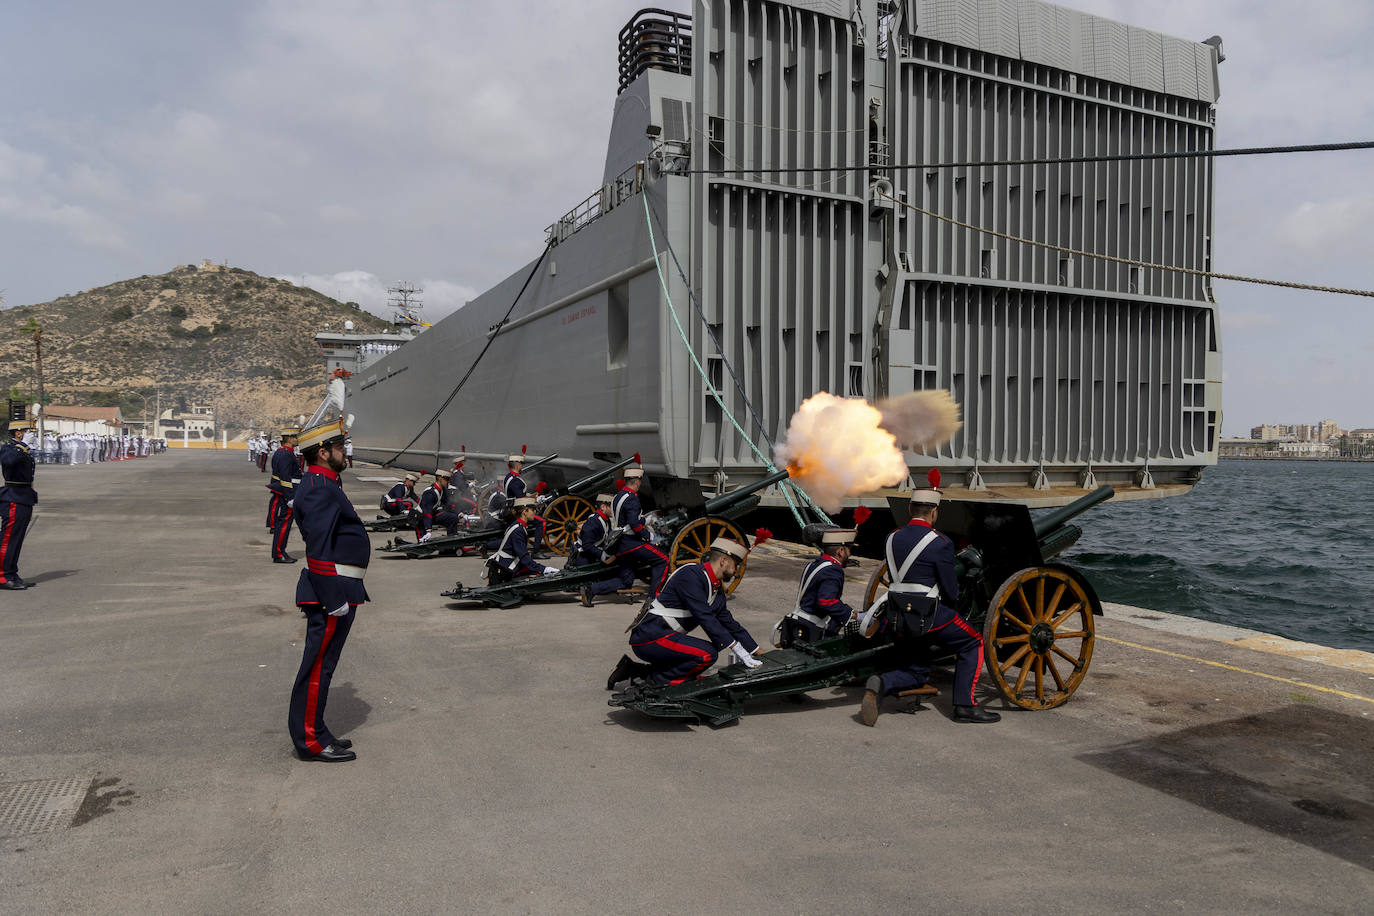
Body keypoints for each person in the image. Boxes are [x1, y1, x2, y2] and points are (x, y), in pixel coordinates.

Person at [859, 476, 999, 726]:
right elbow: (950, 590)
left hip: (895, 613)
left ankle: (882, 683)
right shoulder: (940, 543)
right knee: (972, 642)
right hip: (928, 614)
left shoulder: (892, 538)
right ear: (934, 512)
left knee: (917, 670)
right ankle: (966, 706)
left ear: (911, 509)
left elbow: (894, 576)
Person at [287, 418, 367, 762]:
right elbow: (317, 547)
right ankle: (310, 741)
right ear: (323, 452)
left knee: (325, 665)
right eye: (338, 448)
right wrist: (334, 599)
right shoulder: (320, 485)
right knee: (319, 667)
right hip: (330, 590)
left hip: (339, 586)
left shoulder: (325, 481)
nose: (343, 453)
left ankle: (318, 731)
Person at [610, 537, 760, 688]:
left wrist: (757, 651)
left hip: (663, 635)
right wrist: (737, 648)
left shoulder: (715, 588)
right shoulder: (690, 575)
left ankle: (633, 669)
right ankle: (657, 681)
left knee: (701, 653)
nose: (736, 572)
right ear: (723, 561)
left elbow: (729, 623)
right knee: (706, 654)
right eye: (736, 565)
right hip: (650, 636)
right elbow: (705, 616)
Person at [773, 527, 858, 647]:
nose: (850, 554)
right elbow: (827, 601)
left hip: (799, 622)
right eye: (849, 550)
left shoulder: (815, 564)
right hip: (812, 631)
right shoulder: (833, 570)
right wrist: (854, 615)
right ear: (840, 551)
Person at [609, 466, 669, 596]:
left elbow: (626, 520)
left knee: (626, 581)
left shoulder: (618, 496)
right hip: (630, 543)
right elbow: (634, 525)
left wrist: (645, 521)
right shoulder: (632, 498)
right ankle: (655, 595)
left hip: (618, 541)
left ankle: (592, 590)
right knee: (663, 559)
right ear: (637, 481)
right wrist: (649, 536)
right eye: (640, 482)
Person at [576, 492, 637, 606]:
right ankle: (593, 589)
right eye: (611, 506)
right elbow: (587, 545)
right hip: (585, 558)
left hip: (591, 555)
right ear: (603, 507)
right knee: (624, 576)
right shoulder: (593, 521)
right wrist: (603, 555)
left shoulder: (605, 520)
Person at [0, 421, 38, 590]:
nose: (29, 434)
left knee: (17, 539)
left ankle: (11, 573)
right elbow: (8, 461)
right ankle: (2, 576)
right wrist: (23, 445)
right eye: (26, 431)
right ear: (18, 433)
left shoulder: (23, 449)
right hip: (13, 498)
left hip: (24, 497)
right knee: (8, 539)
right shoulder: (8, 447)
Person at [487, 497, 558, 584]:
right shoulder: (518, 530)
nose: (534, 513)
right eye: (532, 510)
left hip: (505, 565)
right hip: (505, 570)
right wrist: (544, 569)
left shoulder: (518, 525)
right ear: (525, 511)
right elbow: (524, 558)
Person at [267, 427, 301, 563]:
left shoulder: (285, 452)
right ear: (289, 438)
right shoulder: (285, 454)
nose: (298, 439)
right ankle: (279, 553)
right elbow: (285, 478)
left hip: (288, 492)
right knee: (284, 523)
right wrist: (290, 497)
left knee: (284, 523)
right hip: (288, 493)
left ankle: (280, 551)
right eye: (296, 437)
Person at [502, 452, 547, 552]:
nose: (522, 467)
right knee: (541, 522)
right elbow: (521, 499)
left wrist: (534, 495)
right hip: (517, 510)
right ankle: (536, 551)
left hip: (512, 507)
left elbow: (520, 495)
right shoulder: (515, 480)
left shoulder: (509, 476)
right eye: (521, 464)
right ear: (518, 465)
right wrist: (536, 500)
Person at [418, 468, 463, 539]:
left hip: (432, 515)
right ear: (440, 478)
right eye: (447, 479)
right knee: (422, 544)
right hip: (421, 519)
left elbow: (448, 504)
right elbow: (427, 512)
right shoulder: (430, 492)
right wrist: (428, 530)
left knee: (453, 518)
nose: (448, 482)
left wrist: (459, 513)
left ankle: (452, 538)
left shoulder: (442, 490)